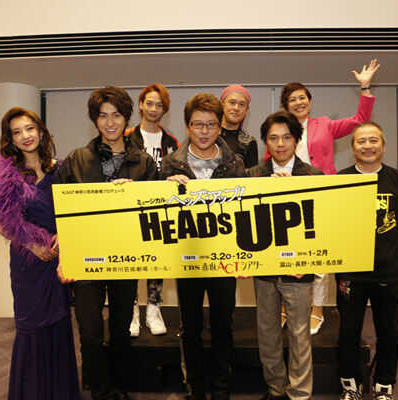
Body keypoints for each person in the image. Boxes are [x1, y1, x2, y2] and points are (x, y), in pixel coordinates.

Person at [57, 86, 158, 400]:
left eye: (116, 115)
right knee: (89, 333)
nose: (110, 122)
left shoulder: (144, 163)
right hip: (86, 259)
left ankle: (120, 388)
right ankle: (100, 393)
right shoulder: (76, 159)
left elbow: (155, 212)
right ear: (95, 120)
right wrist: (64, 257)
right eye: (103, 116)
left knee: (120, 331)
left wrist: (134, 194)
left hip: (125, 258)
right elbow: (62, 213)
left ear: (126, 118)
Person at [279, 59, 380, 335]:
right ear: (286, 106)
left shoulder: (324, 124)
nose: (298, 102)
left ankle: (317, 308)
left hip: (322, 197)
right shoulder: (281, 131)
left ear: (309, 101)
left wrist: (365, 88)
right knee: (287, 254)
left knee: (320, 258)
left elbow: (359, 121)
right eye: (292, 99)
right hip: (288, 199)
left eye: (302, 97)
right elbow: (270, 161)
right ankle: (285, 306)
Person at [0, 107, 80, 400]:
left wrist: (65, 236)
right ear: (10, 139)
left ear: (40, 131)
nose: (25, 136)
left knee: (60, 322)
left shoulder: (60, 169)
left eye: (29, 128)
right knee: (31, 326)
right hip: (28, 262)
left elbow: (74, 211)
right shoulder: (6, 174)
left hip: (58, 258)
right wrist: (31, 244)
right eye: (17, 132)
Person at [160, 93, 247, 400]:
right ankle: (195, 389)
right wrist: (167, 189)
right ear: (187, 126)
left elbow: (244, 211)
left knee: (223, 326)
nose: (204, 131)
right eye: (198, 124)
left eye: (211, 124)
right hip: (187, 260)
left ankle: (221, 391)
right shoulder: (171, 164)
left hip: (224, 259)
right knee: (191, 327)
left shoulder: (235, 163)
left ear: (220, 127)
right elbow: (157, 212)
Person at [336, 122, 398, 400]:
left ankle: (384, 386)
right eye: (361, 141)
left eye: (373, 140)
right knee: (348, 333)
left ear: (383, 146)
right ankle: (350, 387)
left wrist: (382, 244)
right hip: (350, 273)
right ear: (352, 147)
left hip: (388, 272)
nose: (367, 146)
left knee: (389, 334)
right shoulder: (340, 180)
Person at [248, 110, 323, 400]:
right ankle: (276, 389)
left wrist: (309, 261)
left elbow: (320, 225)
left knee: (300, 335)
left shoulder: (313, 176)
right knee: (267, 334)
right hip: (264, 269)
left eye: (287, 138)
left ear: (296, 140)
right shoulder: (253, 176)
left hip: (299, 268)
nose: (280, 144)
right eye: (273, 138)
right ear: (266, 142)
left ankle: (300, 394)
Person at [125, 83, 179, 336]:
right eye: (149, 103)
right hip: (131, 209)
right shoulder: (127, 137)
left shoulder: (171, 142)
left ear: (165, 109)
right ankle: (132, 311)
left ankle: (153, 309)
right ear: (140, 105)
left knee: (158, 262)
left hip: (160, 210)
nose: (154, 109)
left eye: (159, 105)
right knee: (132, 261)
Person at [219, 84, 259, 168]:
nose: (236, 108)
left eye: (241, 104)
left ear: (246, 110)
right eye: (232, 102)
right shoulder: (209, 135)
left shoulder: (249, 142)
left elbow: (252, 174)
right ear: (221, 104)